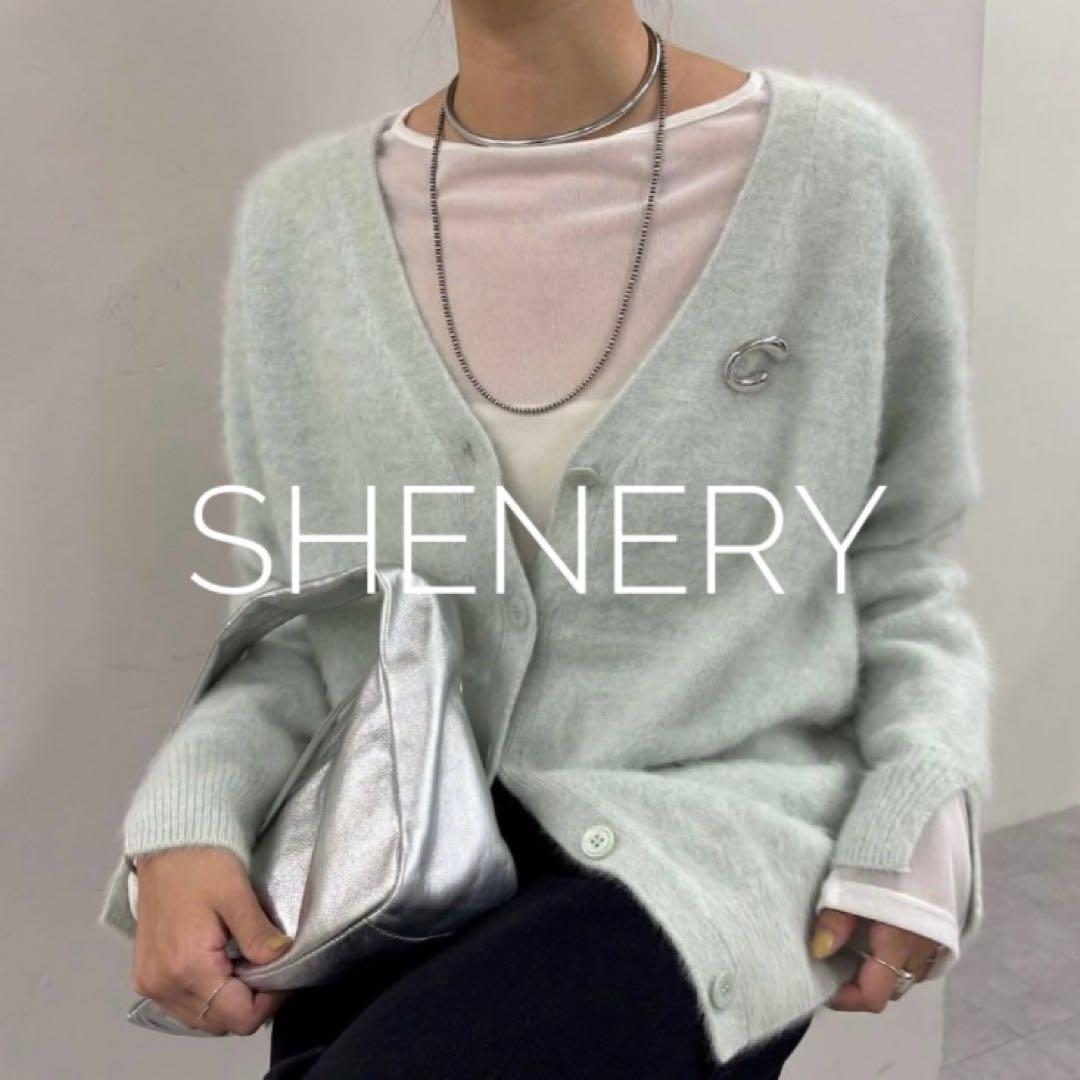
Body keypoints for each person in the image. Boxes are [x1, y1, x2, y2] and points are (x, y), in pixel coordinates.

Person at [100, 2, 992, 1077]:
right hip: (388, 863)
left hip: (719, 847)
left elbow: (898, 564)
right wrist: (189, 815)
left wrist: (920, 803)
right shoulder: (302, 223)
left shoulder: (836, 174)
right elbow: (305, 619)